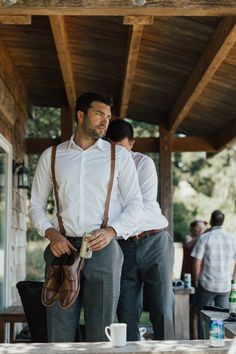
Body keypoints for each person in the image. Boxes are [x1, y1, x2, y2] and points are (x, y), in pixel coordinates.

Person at [29, 92, 144, 342]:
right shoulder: (52, 156)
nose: (105, 121)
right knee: (59, 330)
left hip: (102, 248)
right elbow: (36, 205)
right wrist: (51, 233)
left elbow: (137, 205)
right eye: (99, 114)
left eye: (108, 116)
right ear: (81, 115)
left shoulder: (119, 156)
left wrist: (112, 231)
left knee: (102, 331)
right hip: (62, 249)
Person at [106, 119, 175, 341]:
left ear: (132, 144)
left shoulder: (143, 163)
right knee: (125, 311)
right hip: (122, 246)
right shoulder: (101, 167)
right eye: (112, 149)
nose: (118, 156)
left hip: (154, 240)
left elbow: (142, 205)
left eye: (122, 150)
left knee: (162, 308)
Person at [191, 210, 236, 339]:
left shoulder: (205, 237)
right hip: (225, 285)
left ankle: (202, 344)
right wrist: (233, 279)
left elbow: (197, 261)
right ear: (223, 221)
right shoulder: (232, 238)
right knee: (224, 318)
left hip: (207, 283)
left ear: (211, 221)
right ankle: (220, 344)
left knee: (202, 316)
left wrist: (196, 280)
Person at [181, 219, 207, 339]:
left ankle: (197, 336)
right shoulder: (188, 238)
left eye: (203, 228)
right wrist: (204, 235)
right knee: (191, 310)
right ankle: (193, 337)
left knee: (198, 310)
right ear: (192, 229)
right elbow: (188, 245)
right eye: (198, 228)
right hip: (188, 278)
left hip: (199, 278)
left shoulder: (204, 240)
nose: (201, 230)